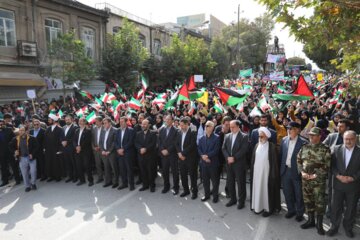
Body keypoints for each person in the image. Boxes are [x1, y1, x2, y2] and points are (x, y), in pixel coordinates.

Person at [297, 127, 331, 235]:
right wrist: (302, 172)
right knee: (308, 201)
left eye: (313, 135)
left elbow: (327, 165)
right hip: (305, 180)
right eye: (310, 135)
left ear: (319, 136)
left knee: (319, 203)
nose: (311, 137)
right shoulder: (304, 147)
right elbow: (298, 160)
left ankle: (319, 225)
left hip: (318, 182)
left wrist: (315, 175)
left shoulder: (325, 148)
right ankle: (310, 221)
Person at [327, 130, 360, 238]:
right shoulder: (336, 149)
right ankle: (334, 227)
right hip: (338, 184)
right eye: (346, 139)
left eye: (351, 139)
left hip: (353, 185)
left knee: (350, 208)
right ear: (343, 139)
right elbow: (331, 165)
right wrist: (338, 176)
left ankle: (348, 227)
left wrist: (352, 178)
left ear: (355, 139)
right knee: (335, 207)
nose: (348, 141)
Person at [279, 122, 308, 222]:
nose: (289, 130)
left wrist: (303, 172)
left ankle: (300, 213)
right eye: (288, 128)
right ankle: (291, 210)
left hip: (297, 172)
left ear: (297, 130)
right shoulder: (284, 140)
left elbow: (306, 160)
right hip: (285, 170)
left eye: (291, 128)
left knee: (298, 194)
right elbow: (281, 155)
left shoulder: (303, 142)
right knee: (287, 192)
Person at [250, 127, 281, 217]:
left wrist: (273, 175)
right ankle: (257, 207)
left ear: (267, 136)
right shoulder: (256, 145)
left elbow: (274, 163)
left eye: (262, 137)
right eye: (259, 136)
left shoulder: (271, 147)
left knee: (266, 190)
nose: (260, 138)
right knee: (257, 188)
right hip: (257, 173)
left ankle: (268, 208)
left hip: (267, 174)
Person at [323, 118, 350, 217]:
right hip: (333, 169)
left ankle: (344, 211)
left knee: (346, 193)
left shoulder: (353, 138)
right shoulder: (331, 136)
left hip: (347, 170)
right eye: (338, 126)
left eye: (341, 126)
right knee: (331, 190)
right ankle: (330, 210)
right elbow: (322, 148)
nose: (339, 128)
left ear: (347, 128)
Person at [222, 120, 249, 209]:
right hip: (229, 163)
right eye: (230, 127)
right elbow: (224, 148)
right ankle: (233, 199)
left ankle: (241, 201)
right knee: (230, 182)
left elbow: (243, 150)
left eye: (233, 127)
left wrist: (234, 158)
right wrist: (228, 158)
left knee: (241, 183)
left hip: (239, 164)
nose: (231, 128)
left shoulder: (244, 136)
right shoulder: (227, 136)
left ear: (238, 127)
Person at [9, 125, 38, 192]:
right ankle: (27, 186)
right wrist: (15, 151)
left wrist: (32, 154)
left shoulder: (32, 138)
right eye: (20, 130)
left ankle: (33, 183)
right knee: (24, 173)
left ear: (26, 131)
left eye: (22, 130)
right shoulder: (16, 139)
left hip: (31, 158)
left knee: (33, 171)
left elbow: (36, 147)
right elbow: (10, 146)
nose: (21, 132)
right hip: (22, 158)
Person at [176, 117, 199, 199]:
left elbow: (192, 145)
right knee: (183, 175)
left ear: (187, 124)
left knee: (192, 176)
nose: (181, 127)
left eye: (182, 125)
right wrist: (179, 153)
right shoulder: (179, 132)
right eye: (180, 125)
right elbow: (177, 144)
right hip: (181, 158)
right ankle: (186, 190)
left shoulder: (193, 132)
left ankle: (194, 192)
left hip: (190, 158)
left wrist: (182, 153)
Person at [198, 121, 220, 203]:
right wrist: (203, 156)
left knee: (214, 181)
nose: (205, 127)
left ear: (212, 127)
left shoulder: (217, 138)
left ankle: (215, 196)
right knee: (205, 180)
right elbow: (199, 149)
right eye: (205, 126)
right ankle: (206, 195)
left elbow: (216, 150)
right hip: (204, 163)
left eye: (207, 126)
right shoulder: (201, 138)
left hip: (213, 163)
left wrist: (207, 156)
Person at [158, 115, 179, 195]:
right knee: (165, 171)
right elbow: (159, 141)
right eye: (165, 119)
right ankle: (166, 186)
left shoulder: (176, 130)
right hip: (164, 154)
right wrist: (162, 150)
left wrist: (168, 150)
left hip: (172, 154)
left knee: (174, 172)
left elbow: (175, 142)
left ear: (172, 121)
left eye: (168, 119)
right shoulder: (162, 129)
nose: (166, 121)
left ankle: (176, 187)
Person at [135, 119, 157, 192]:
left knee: (151, 171)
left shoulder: (153, 133)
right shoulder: (138, 134)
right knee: (143, 171)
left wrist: (146, 149)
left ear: (148, 125)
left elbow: (153, 144)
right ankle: (145, 185)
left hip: (150, 156)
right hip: (141, 156)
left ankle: (152, 185)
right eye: (142, 124)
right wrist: (140, 149)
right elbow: (136, 143)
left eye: (145, 124)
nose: (143, 125)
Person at [115, 116, 136, 191]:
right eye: (120, 122)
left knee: (129, 169)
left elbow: (131, 142)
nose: (121, 123)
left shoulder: (131, 130)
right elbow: (116, 141)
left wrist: (123, 149)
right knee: (122, 169)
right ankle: (124, 183)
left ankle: (131, 184)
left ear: (126, 122)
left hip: (128, 153)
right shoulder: (117, 131)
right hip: (120, 153)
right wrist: (118, 149)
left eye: (122, 121)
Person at [73, 117, 93, 186]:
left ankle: (90, 180)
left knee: (87, 166)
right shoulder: (76, 130)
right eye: (79, 121)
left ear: (84, 122)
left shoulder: (88, 130)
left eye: (81, 121)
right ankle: (82, 180)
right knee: (79, 166)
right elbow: (74, 140)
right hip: (77, 151)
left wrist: (80, 147)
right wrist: (76, 147)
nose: (80, 122)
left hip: (85, 151)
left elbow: (87, 141)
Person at [99, 117, 118, 188]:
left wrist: (109, 151)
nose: (104, 125)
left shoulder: (115, 130)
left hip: (112, 153)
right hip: (104, 152)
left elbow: (114, 142)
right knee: (106, 167)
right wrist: (102, 150)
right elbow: (100, 141)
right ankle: (108, 181)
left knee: (114, 168)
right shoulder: (103, 130)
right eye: (103, 123)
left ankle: (116, 182)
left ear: (110, 123)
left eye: (105, 123)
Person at [44, 114, 63, 182]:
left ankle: (58, 176)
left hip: (56, 149)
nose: (48, 120)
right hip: (49, 149)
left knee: (56, 163)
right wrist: (45, 148)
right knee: (50, 163)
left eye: (50, 119)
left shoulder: (59, 129)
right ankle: (51, 176)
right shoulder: (48, 129)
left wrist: (60, 150)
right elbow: (45, 139)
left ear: (54, 120)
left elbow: (61, 140)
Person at [62, 114, 78, 183]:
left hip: (72, 148)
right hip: (65, 148)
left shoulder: (75, 127)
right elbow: (61, 136)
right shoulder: (63, 127)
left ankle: (75, 177)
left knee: (73, 163)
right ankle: (70, 176)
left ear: (71, 120)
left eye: (68, 120)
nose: (67, 121)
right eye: (66, 120)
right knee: (67, 163)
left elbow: (75, 137)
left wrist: (67, 142)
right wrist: (62, 141)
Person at [91, 116, 104, 184]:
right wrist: (94, 147)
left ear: (101, 121)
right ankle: (100, 177)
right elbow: (92, 140)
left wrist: (101, 147)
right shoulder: (94, 129)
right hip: (96, 150)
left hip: (103, 150)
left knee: (106, 165)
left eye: (96, 121)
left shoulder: (105, 128)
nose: (95, 122)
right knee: (98, 165)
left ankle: (109, 178)